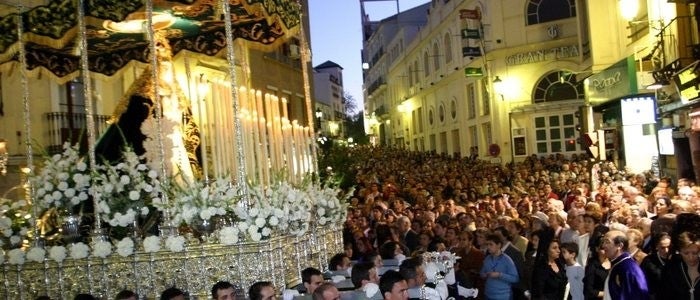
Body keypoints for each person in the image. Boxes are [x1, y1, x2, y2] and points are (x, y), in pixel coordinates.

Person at [600, 230, 649, 300]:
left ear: (620, 245)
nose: (603, 245)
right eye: (603, 242)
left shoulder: (628, 269)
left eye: (607, 242)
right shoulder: (619, 264)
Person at [659, 231, 700, 299]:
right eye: (686, 253)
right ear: (680, 251)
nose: (691, 257)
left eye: (695, 253)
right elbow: (664, 294)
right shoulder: (671, 268)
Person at [480, 233, 519, 300]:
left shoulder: (507, 260)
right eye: (487, 244)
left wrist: (499, 275)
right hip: (488, 294)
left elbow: (515, 278)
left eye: (491, 244)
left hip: (502, 296)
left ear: (499, 245)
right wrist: (484, 275)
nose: (488, 247)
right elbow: (482, 273)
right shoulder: (487, 258)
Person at [640, 232, 672, 300]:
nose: (666, 250)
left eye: (669, 247)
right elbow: (642, 280)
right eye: (662, 247)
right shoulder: (648, 261)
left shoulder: (677, 259)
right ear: (657, 246)